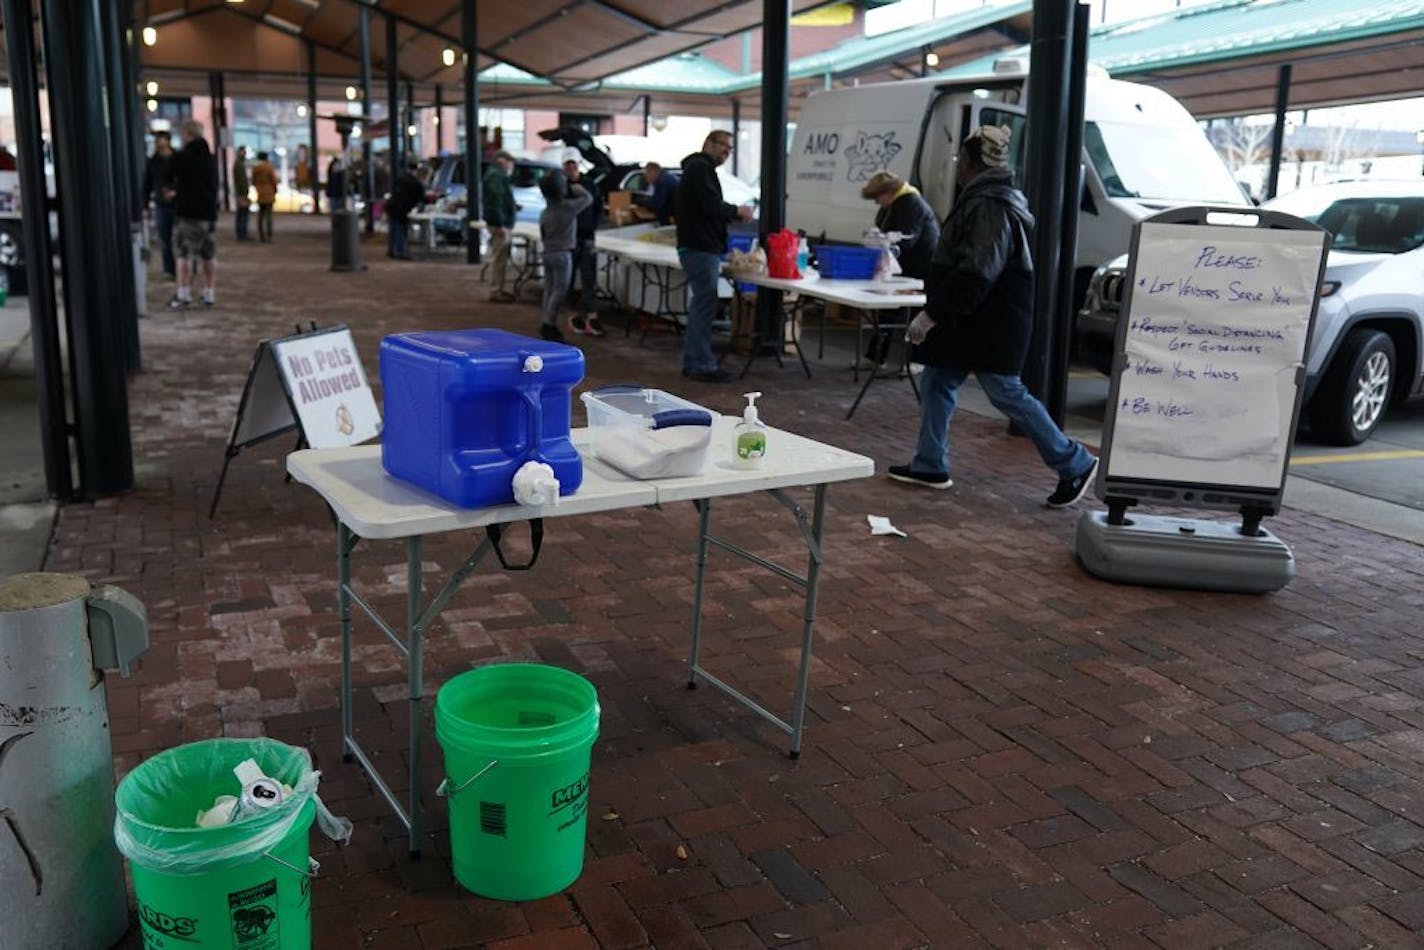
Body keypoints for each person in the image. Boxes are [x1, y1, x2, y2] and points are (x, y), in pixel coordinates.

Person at [890, 125, 1098, 507]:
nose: (957, 167)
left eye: (959, 160)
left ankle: (1074, 461)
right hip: (972, 319)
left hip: (990, 320)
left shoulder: (989, 203)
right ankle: (929, 463)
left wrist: (932, 314)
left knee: (1006, 391)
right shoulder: (988, 197)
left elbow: (977, 271)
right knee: (938, 380)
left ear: (969, 163)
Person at [675, 130, 755, 383]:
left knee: (702, 303)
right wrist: (737, 211)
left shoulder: (696, 169)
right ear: (708, 143)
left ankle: (696, 361)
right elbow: (710, 206)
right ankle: (701, 364)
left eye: (730, 149)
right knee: (704, 304)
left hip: (696, 246)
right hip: (700, 247)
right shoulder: (701, 168)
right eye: (723, 146)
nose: (726, 152)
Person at [859, 170, 940, 368]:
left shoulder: (911, 203)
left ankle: (917, 360)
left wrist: (887, 247)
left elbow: (907, 238)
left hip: (920, 267)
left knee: (916, 315)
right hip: (903, 267)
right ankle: (876, 357)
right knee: (887, 312)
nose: (878, 202)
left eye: (878, 197)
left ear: (889, 192)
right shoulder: (894, 204)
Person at [164, 119, 218, 309]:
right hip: (209, 214)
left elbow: (168, 177)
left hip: (187, 213)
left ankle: (183, 293)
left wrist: (174, 191)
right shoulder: (211, 159)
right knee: (208, 255)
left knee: (183, 255)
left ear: (187, 135)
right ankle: (209, 293)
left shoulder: (182, 158)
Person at [537, 170, 592, 343]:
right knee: (559, 291)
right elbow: (588, 198)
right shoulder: (568, 207)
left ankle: (546, 321)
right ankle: (549, 325)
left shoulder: (544, 212)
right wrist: (575, 187)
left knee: (549, 289)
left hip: (547, 253)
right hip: (563, 254)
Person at [562, 154, 604, 337]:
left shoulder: (590, 185)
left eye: (574, 166)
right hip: (569, 240)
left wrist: (593, 229)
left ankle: (591, 316)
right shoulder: (560, 187)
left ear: (578, 166)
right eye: (567, 166)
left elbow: (598, 208)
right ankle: (572, 315)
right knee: (568, 280)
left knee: (589, 279)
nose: (571, 169)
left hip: (586, 237)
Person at [142, 131, 177, 279]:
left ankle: (186, 267)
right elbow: (147, 183)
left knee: (182, 237)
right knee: (165, 238)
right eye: (156, 140)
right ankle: (169, 269)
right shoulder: (152, 161)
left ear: (167, 141)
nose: (157, 143)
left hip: (179, 203)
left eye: (159, 140)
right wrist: (145, 204)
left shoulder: (178, 158)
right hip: (161, 203)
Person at [484, 150, 518, 303]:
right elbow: (495, 200)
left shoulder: (494, 175)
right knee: (499, 258)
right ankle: (496, 291)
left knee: (499, 257)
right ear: (502, 161)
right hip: (500, 224)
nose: (512, 165)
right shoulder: (497, 176)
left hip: (498, 221)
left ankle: (497, 289)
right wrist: (500, 223)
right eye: (510, 162)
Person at [386, 160, 425, 260]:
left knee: (394, 228)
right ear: (416, 170)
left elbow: (393, 190)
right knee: (401, 229)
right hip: (402, 207)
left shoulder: (400, 178)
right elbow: (421, 197)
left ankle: (392, 250)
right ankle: (400, 251)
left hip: (392, 205)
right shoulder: (416, 182)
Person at [632, 161, 678, 226]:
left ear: (653, 172)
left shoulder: (661, 181)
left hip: (672, 216)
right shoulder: (667, 176)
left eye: (647, 174)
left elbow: (658, 203)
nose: (646, 177)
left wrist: (640, 201)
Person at [251, 151, 279, 243]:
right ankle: (269, 236)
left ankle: (261, 236)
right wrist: (275, 190)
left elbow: (253, 181)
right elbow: (273, 180)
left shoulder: (255, 169)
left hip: (260, 193)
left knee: (260, 216)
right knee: (269, 216)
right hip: (269, 193)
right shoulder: (268, 168)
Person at [231, 145, 251, 241]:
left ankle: (241, 233)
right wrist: (243, 192)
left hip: (241, 192)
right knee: (243, 213)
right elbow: (241, 180)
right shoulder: (239, 164)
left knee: (242, 213)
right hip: (241, 193)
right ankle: (242, 234)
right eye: (243, 152)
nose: (245, 154)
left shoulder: (239, 164)